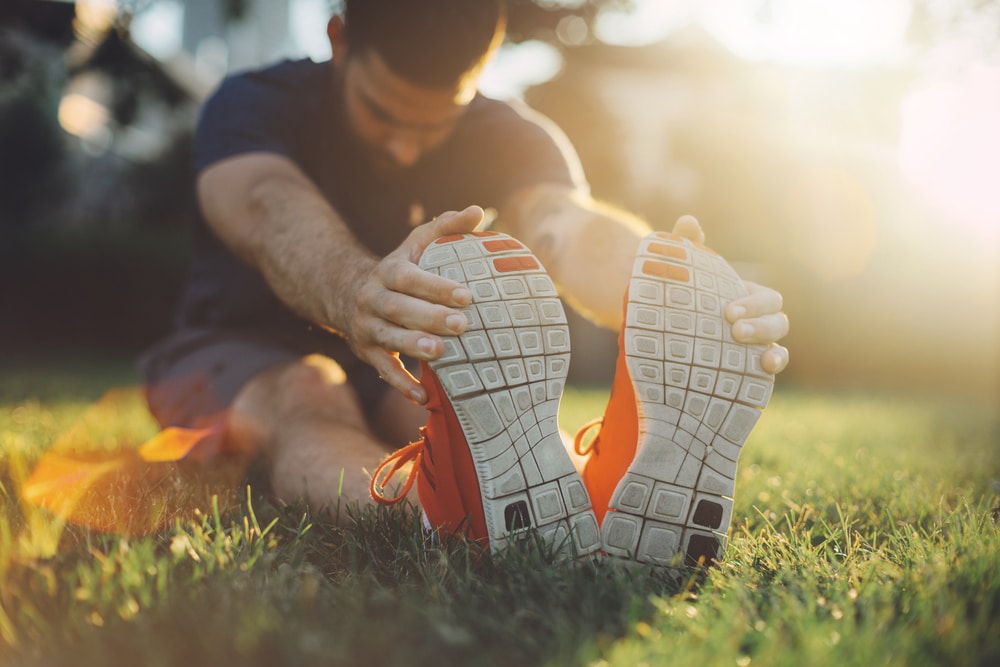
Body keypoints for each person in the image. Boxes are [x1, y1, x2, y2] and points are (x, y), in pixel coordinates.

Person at [141, 0, 789, 566]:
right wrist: (358, 289)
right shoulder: (255, 101)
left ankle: (595, 499)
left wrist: (672, 292)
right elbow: (261, 202)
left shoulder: (508, 133)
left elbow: (563, 226)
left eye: (435, 122)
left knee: (461, 421)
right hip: (232, 351)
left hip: (407, 362)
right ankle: (432, 516)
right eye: (383, 114)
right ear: (339, 42)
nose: (404, 148)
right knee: (309, 388)